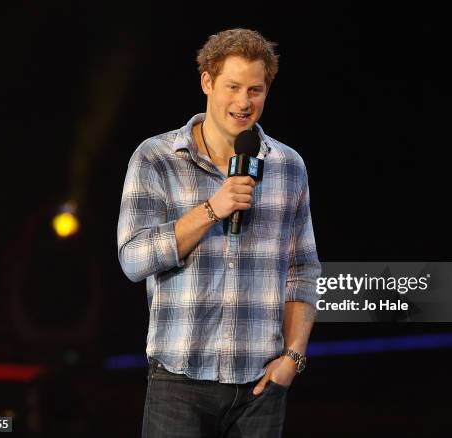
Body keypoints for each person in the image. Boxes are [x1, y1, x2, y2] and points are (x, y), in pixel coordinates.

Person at [117, 28, 320, 438]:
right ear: (207, 82)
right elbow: (134, 260)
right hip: (179, 383)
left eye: (255, 89)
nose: (244, 102)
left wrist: (293, 359)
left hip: (261, 388)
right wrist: (212, 209)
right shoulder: (156, 158)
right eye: (232, 86)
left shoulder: (288, 166)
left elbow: (303, 271)